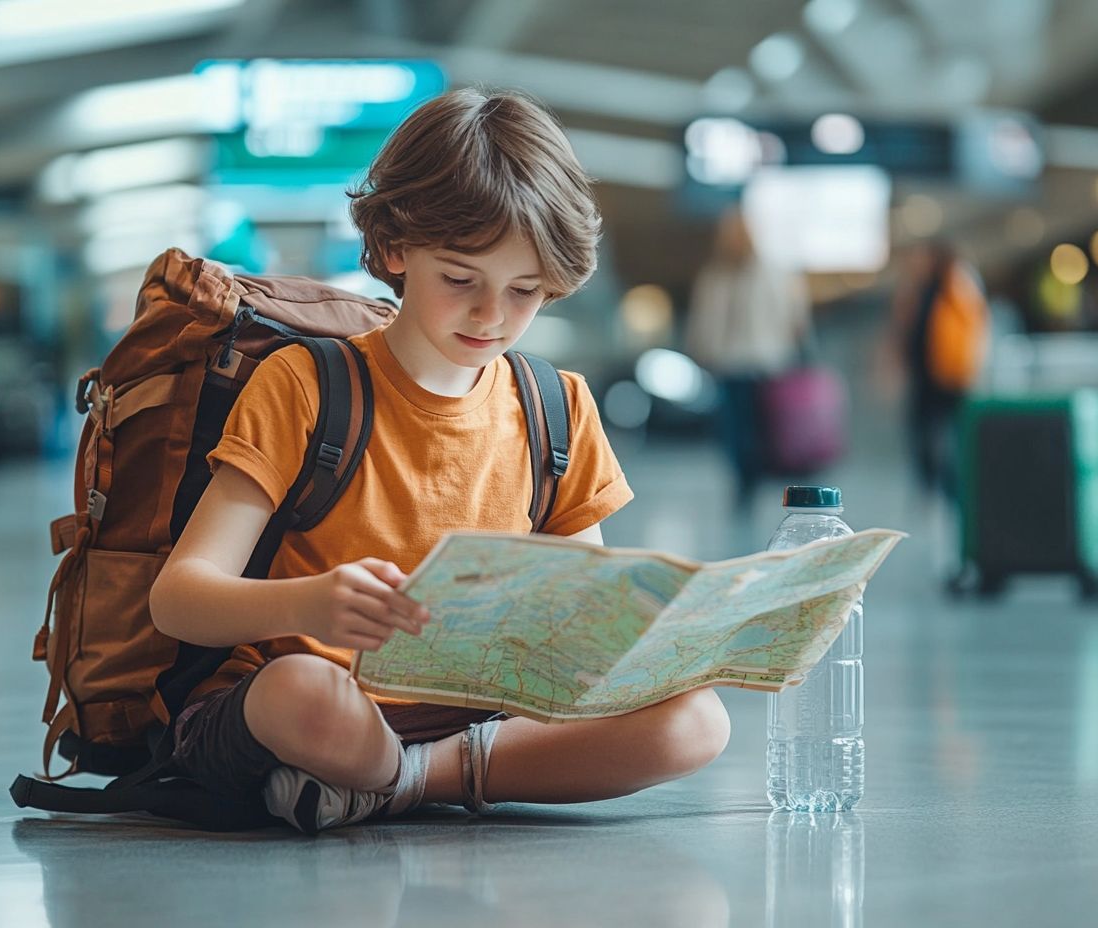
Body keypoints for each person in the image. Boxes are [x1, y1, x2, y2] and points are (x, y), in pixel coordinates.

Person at [148, 88, 731, 834]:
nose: (492, 316)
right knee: (298, 693)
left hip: (483, 713)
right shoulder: (305, 386)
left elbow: (583, 615)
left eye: (525, 291)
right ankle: (421, 772)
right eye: (461, 280)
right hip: (321, 703)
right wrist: (309, 604)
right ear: (395, 248)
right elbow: (180, 598)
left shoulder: (559, 407)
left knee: (697, 722)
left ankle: (404, 782)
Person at [684, 207, 811, 508]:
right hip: (744, 363)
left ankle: (754, 477)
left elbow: (794, 318)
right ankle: (748, 478)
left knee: (755, 427)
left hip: (757, 363)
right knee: (741, 428)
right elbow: (704, 321)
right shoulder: (722, 275)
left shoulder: (763, 272)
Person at [885, 240, 988, 504]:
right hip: (925, 378)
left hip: (951, 378)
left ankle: (952, 489)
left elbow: (975, 328)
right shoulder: (918, 290)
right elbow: (905, 330)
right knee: (922, 435)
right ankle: (933, 487)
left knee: (949, 438)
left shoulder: (956, 282)